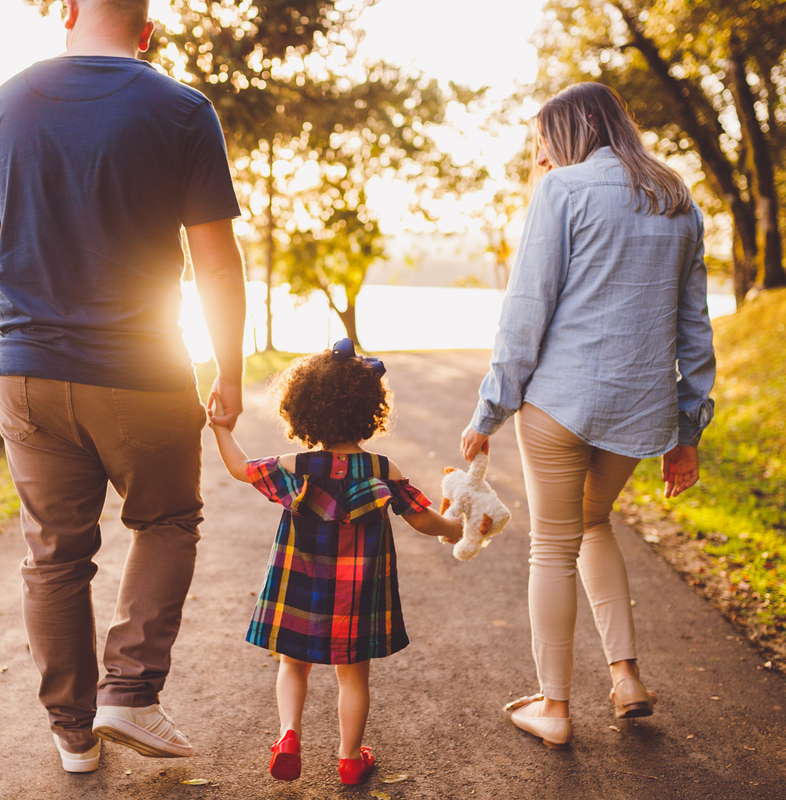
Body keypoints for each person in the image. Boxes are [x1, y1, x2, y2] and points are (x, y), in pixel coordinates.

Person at [0, 0, 246, 774]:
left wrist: (10, 349)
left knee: (54, 557)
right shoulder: (183, 110)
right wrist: (230, 370)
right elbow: (216, 262)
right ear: (146, 30)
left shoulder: (4, 102)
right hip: (143, 373)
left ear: (71, 13)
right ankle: (130, 690)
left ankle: (73, 734)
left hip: (25, 371)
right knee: (166, 522)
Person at [460, 82, 716, 750]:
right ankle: (627, 678)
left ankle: (555, 707)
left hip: (559, 405)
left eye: (545, 142)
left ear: (574, 133)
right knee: (594, 521)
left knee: (554, 543)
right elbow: (695, 330)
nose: (541, 156)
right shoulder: (678, 202)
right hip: (640, 409)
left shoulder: (562, 193)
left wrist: (488, 410)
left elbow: (525, 311)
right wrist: (688, 432)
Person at [208, 339, 464, 785]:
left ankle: (289, 736)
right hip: (358, 589)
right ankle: (349, 758)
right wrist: (456, 529)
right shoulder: (384, 469)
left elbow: (239, 468)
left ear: (303, 410)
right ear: (370, 410)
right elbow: (424, 520)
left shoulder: (295, 465)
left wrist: (220, 429)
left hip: (299, 584)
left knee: (292, 664)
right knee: (353, 678)